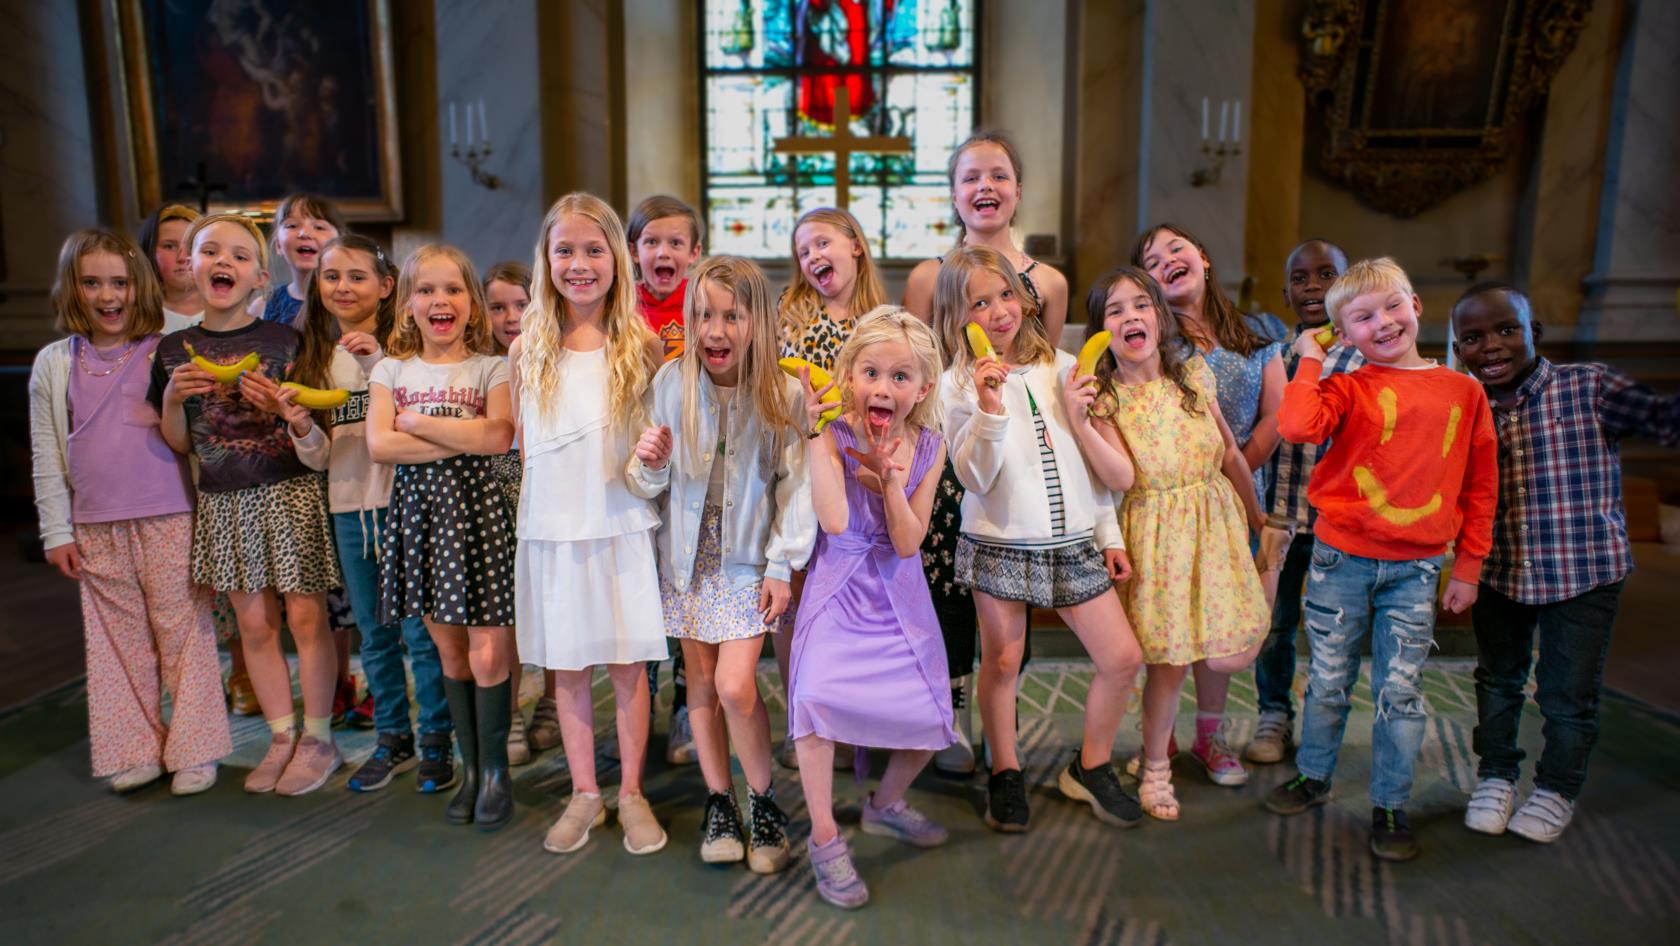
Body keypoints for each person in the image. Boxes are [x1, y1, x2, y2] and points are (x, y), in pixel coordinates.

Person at [1265, 257, 1497, 862]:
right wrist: (1311, 354)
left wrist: (1468, 566)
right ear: (1346, 334)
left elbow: (1480, 483)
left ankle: (1390, 802)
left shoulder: (1464, 391)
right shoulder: (1345, 386)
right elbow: (1293, 424)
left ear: (1416, 304)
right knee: (1329, 680)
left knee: (1401, 689)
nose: (1384, 323)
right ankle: (1314, 775)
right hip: (1340, 557)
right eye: (1363, 318)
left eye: (1392, 306)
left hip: (1417, 568)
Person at [1452, 282, 1680, 843]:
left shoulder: (1590, 386)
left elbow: (1664, 418)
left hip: (1584, 572)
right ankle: (1496, 774)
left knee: (1566, 692)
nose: (1493, 347)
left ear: (1536, 333)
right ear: (1459, 349)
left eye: (1507, 330)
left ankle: (1556, 787)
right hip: (1501, 570)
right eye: (1474, 338)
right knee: (1498, 681)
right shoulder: (1462, 405)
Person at [936, 246, 1143, 831]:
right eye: (981, 302)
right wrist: (989, 408)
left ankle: (1092, 765)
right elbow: (974, 477)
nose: (1000, 311)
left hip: (1075, 538)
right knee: (1002, 662)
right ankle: (1005, 769)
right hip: (1001, 541)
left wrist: (1109, 532)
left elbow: (1091, 462)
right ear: (960, 317)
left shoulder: (1066, 365)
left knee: (1122, 657)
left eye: (1006, 294)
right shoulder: (955, 385)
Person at [29, 229, 230, 795]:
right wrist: (56, 529)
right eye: (92, 283)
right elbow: (48, 450)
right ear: (74, 288)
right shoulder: (54, 363)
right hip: (94, 523)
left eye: (118, 282)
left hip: (169, 513)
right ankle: (137, 747)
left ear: (139, 286)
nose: (107, 295)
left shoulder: (168, 345)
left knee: (183, 631)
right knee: (116, 641)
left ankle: (194, 749)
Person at [150, 213, 343, 796]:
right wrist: (171, 399)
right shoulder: (172, 350)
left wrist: (286, 410)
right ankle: (280, 735)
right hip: (223, 499)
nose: (223, 263)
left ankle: (317, 736)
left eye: (238, 255)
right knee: (254, 624)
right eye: (210, 252)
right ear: (193, 265)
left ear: (260, 277)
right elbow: (180, 441)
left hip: (288, 493)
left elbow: (318, 433)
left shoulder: (287, 343)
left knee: (306, 619)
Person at [628, 255, 807, 872]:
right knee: (700, 686)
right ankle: (719, 800)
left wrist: (783, 566)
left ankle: (763, 801)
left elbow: (796, 487)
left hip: (748, 565)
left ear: (758, 319)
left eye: (732, 316)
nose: (716, 330)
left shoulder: (783, 393)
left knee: (736, 685)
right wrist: (650, 460)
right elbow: (645, 482)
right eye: (703, 314)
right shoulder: (670, 385)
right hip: (684, 562)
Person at [512, 194, 669, 856]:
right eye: (565, 251)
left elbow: (658, 457)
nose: (579, 264)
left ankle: (631, 791)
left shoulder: (643, 345)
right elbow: (527, 450)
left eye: (593, 250)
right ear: (546, 261)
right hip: (554, 527)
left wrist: (654, 460)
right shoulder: (529, 349)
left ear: (618, 259)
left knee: (628, 667)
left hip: (621, 526)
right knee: (570, 670)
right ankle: (585, 792)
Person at [1085, 267, 1269, 820]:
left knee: (1230, 647)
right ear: (1102, 331)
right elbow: (1118, 478)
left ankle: (1200, 737)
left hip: (1214, 522)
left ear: (1159, 316)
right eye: (1114, 310)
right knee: (1169, 662)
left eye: (1140, 304)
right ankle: (1156, 763)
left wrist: (1256, 517)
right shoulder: (1108, 399)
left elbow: (1231, 452)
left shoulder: (1193, 376)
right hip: (1158, 531)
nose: (1130, 317)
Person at [788, 307, 954, 910]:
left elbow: (909, 542)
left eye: (901, 376)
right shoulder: (830, 432)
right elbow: (833, 520)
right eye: (871, 373)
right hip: (840, 587)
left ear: (924, 388)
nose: (884, 388)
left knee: (931, 720)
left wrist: (887, 481)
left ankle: (883, 806)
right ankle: (825, 839)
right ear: (849, 375)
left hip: (900, 592)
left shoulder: (931, 446)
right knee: (815, 704)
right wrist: (814, 435)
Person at [293, 235, 457, 795]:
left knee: (420, 631)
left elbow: (424, 409)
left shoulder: (408, 350)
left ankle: (436, 735)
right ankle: (393, 736)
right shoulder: (315, 358)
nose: (342, 287)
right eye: (331, 276)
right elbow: (319, 454)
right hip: (346, 505)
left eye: (357, 276)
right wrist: (299, 426)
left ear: (387, 287)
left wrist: (378, 364)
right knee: (374, 632)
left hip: (403, 503)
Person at [367, 244, 518, 828]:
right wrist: (463, 432)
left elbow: (500, 436)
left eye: (453, 290)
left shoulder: (491, 368)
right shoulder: (391, 371)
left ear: (472, 305)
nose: (440, 301)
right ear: (407, 305)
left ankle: (497, 771)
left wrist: (420, 423)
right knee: (449, 651)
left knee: (488, 653)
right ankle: (471, 769)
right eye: (426, 290)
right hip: (423, 522)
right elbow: (381, 446)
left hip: (479, 519)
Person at [1132, 223, 1286, 788]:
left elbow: (1277, 415)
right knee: (1172, 624)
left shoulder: (1257, 334)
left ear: (1202, 256)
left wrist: (1233, 465)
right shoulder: (1153, 345)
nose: (1167, 259)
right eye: (1151, 260)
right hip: (1175, 500)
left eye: (1176, 248)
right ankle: (1161, 739)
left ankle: (1210, 736)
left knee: (1220, 623)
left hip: (1237, 492)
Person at [773, 206, 888, 768]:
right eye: (803, 252)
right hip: (800, 470)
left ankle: (856, 719)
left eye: (822, 243)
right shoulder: (789, 319)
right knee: (796, 601)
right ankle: (805, 719)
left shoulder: (885, 322)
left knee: (853, 603)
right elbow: (768, 395)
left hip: (863, 477)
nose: (813, 257)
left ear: (855, 247)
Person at [1247, 240, 1359, 765]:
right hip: (1280, 519)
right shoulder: (1276, 356)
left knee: (1335, 629)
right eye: (1300, 278)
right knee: (1273, 624)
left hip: (1342, 524)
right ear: (1286, 292)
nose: (1313, 286)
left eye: (1326, 275)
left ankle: (1323, 721)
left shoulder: (1366, 357)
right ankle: (1274, 713)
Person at [626, 194, 706, 765]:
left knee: (685, 587)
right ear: (633, 252)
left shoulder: (705, 308)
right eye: (651, 241)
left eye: (676, 242)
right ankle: (639, 698)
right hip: (632, 464)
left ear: (695, 253)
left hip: (691, 469)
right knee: (637, 591)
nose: (663, 251)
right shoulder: (617, 310)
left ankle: (685, 704)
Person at [482, 260, 549, 767]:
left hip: (540, 489)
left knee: (547, 607)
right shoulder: (484, 365)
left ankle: (550, 697)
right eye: (497, 306)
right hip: (491, 498)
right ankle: (511, 714)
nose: (510, 316)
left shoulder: (545, 354)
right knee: (502, 611)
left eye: (521, 305)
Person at [255, 192, 346, 328]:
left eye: (319, 227)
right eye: (292, 226)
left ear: (341, 243)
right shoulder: (262, 306)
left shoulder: (353, 301)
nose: (304, 233)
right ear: (278, 245)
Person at [136, 204, 204, 332]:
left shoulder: (232, 311)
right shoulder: (135, 318)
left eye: (192, 244)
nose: (183, 257)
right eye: (169, 246)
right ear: (149, 252)